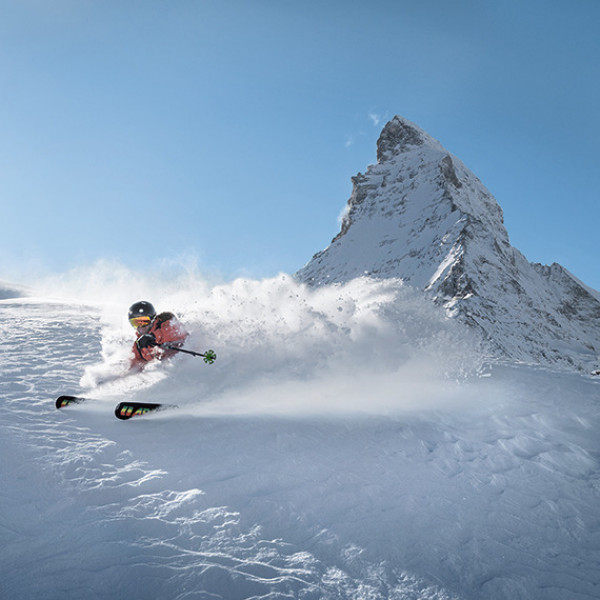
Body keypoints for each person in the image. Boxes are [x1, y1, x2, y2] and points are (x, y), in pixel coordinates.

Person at [128, 300, 189, 370]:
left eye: (144, 321)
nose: (140, 327)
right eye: (135, 323)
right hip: (173, 370)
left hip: (188, 359)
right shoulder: (140, 344)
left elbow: (178, 332)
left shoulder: (166, 324)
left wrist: (154, 337)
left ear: (153, 319)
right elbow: (135, 364)